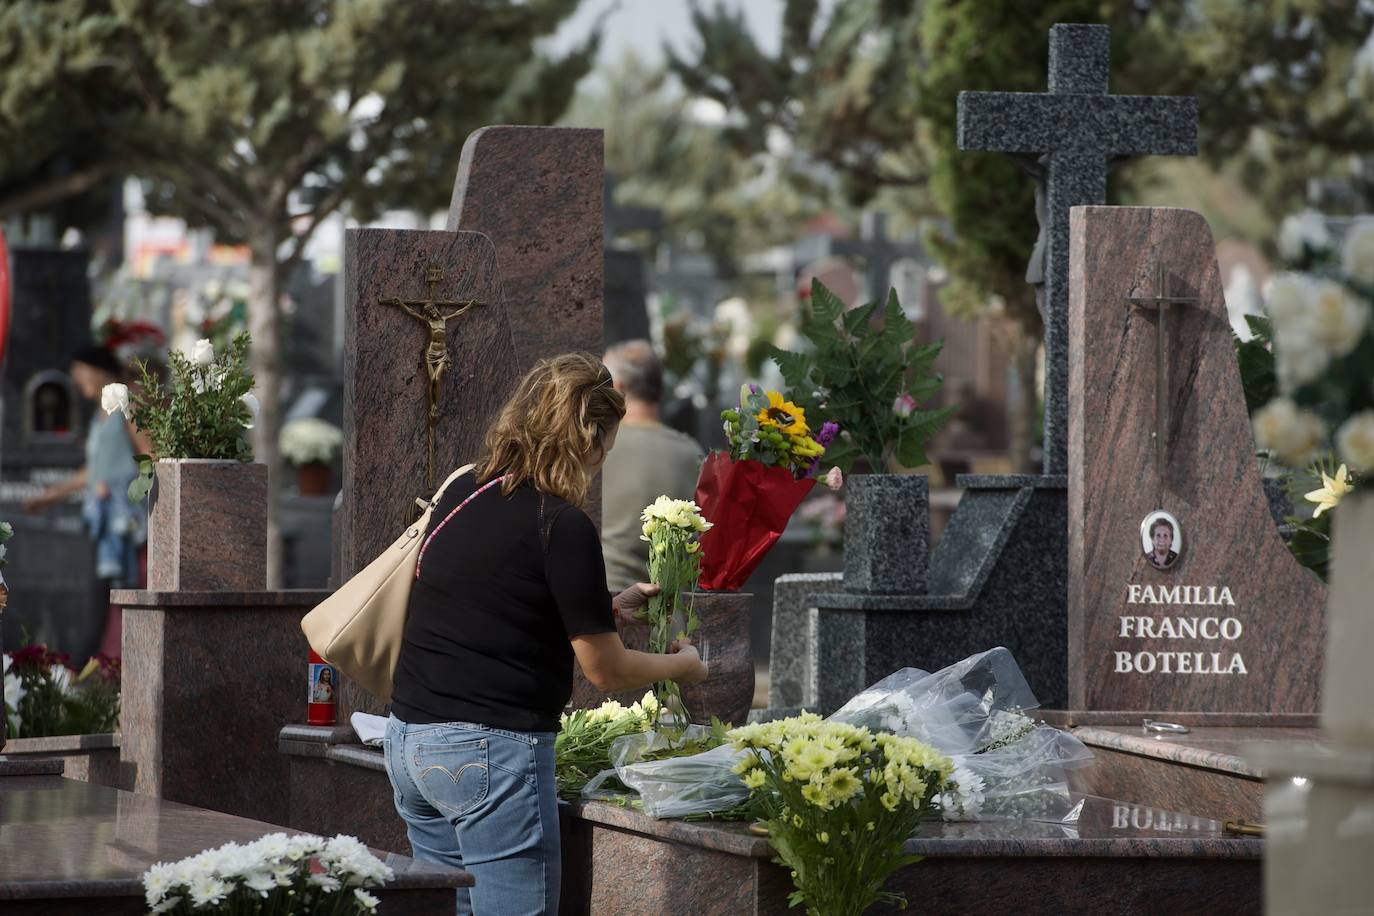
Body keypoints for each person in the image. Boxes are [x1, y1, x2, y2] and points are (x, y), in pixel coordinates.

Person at [384, 352, 709, 916]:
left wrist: (603, 609)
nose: (605, 458)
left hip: (410, 741)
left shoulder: (466, 488)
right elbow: (606, 672)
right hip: (488, 753)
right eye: (607, 443)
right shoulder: (561, 524)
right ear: (590, 436)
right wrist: (685, 666)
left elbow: (493, 598)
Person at [24, 346, 149, 658]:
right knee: (109, 597)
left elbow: (152, 454)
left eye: (80, 374)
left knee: (124, 594)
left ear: (98, 371)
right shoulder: (101, 413)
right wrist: (50, 495)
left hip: (128, 521)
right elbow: (95, 469)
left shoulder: (127, 405)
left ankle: (113, 667)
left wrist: (131, 488)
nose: (77, 383)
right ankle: (107, 668)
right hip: (106, 522)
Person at [599, 340, 705, 591]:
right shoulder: (691, 453)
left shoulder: (597, 446)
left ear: (618, 386)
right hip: (668, 603)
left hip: (605, 595)